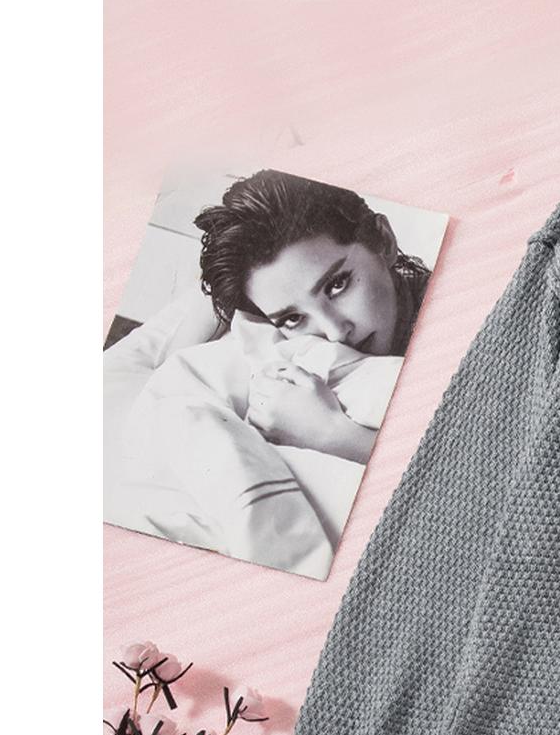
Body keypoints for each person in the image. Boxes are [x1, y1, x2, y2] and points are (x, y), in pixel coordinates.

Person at [103, 171, 431, 577]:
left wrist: (331, 434)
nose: (333, 332)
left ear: (383, 239)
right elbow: (174, 364)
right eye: (293, 318)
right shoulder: (267, 327)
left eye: (337, 285)